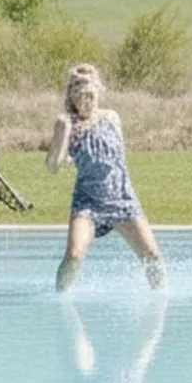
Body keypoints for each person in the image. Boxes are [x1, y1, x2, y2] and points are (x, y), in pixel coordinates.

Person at [45, 64, 165, 291]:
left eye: (88, 89)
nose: (83, 95)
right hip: (87, 202)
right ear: (70, 94)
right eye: (77, 89)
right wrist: (63, 134)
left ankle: (162, 296)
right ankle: (60, 297)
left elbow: (111, 155)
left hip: (121, 197)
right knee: (74, 255)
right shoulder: (67, 124)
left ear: (99, 91)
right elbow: (53, 167)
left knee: (152, 255)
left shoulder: (112, 118)